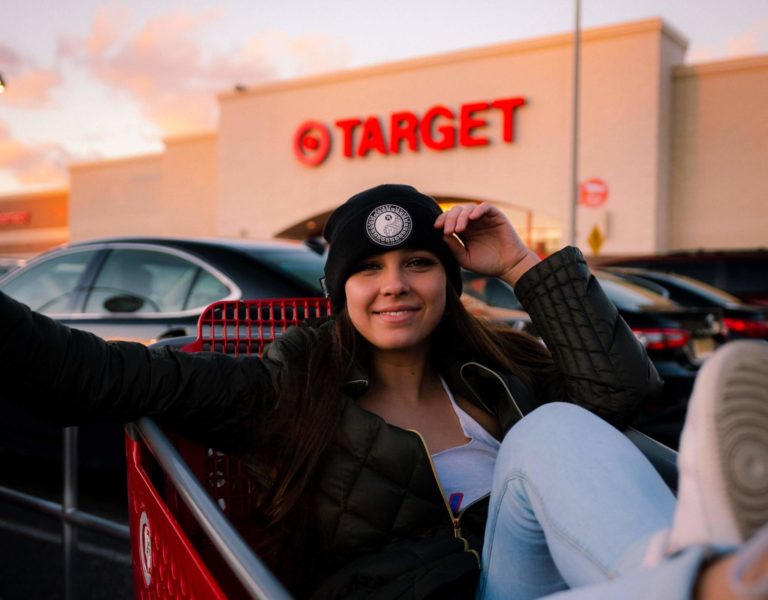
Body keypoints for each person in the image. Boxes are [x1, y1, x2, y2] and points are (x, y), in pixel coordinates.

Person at [1, 183, 766, 599]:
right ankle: (720, 576)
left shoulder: (496, 369)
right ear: (339, 290)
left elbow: (625, 396)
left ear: (449, 278)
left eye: (419, 265)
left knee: (555, 430)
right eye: (368, 269)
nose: (393, 286)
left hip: (538, 579)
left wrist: (524, 264)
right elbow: (91, 374)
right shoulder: (283, 387)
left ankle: (702, 575)